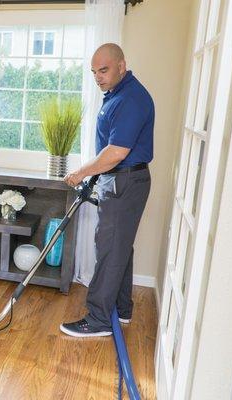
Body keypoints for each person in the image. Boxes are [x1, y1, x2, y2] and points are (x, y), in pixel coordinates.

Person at [60, 43, 154, 337]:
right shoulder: (117, 94)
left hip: (124, 181)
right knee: (119, 247)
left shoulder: (131, 99)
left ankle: (99, 320)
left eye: (104, 69)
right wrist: (97, 175)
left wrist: (80, 173)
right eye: (94, 72)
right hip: (119, 180)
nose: (98, 77)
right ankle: (122, 310)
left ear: (121, 66)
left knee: (111, 248)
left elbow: (116, 152)